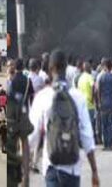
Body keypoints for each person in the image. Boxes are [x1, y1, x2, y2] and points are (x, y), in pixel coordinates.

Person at [28, 50, 100, 187]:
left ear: (50, 69)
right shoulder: (78, 97)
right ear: (66, 67)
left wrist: (25, 166)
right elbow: (87, 136)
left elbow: (32, 135)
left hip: (51, 165)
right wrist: (94, 171)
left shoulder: (43, 97)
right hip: (72, 168)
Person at [77, 61, 97, 142]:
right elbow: (94, 87)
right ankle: (90, 140)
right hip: (90, 104)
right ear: (88, 68)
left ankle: (83, 141)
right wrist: (93, 98)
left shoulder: (80, 78)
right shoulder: (90, 77)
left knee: (83, 125)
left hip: (82, 105)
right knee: (91, 124)